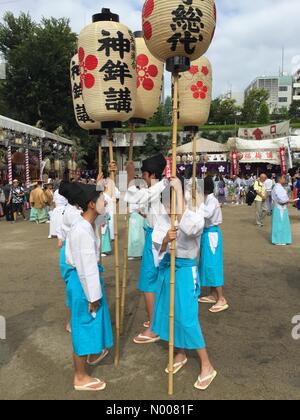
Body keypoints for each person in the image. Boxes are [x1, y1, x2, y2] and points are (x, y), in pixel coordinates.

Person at [151, 177, 217, 391]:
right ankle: (179, 353)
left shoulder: (193, 212)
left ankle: (207, 365)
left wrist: (179, 196)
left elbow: (193, 229)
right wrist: (164, 242)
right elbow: (157, 248)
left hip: (186, 270)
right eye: (167, 202)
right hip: (168, 268)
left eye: (172, 201)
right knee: (172, 313)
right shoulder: (163, 216)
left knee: (187, 318)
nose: (168, 206)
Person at [65, 183, 113, 392]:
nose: (105, 203)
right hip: (84, 283)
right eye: (101, 200)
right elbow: (86, 268)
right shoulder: (82, 229)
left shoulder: (87, 223)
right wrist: (93, 296)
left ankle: (90, 357)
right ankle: (80, 376)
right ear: (92, 204)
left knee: (87, 325)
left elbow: (110, 205)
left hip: (84, 281)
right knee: (84, 327)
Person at [125, 154, 168, 344]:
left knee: (148, 282)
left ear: (150, 174)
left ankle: (154, 327)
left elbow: (134, 196)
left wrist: (128, 175)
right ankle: (157, 319)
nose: (141, 178)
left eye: (142, 174)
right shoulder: (161, 187)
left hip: (157, 239)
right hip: (158, 236)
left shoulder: (160, 187)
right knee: (156, 281)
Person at [198, 176, 228, 313]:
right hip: (206, 233)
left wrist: (197, 204)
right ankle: (213, 294)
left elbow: (207, 214)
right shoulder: (206, 199)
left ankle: (221, 298)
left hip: (212, 234)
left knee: (213, 264)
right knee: (206, 264)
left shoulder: (212, 200)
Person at [271, 175, 296, 246]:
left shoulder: (278, 187)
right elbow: (282, 200)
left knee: (282, 224)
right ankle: (279, 240)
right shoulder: (278, 187)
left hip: (281, 207)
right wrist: (289, 200)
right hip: (279, 207)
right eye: (283, 178)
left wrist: (288, 200)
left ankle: (282, 239)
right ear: (280, 179)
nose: (285, 179)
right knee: (280, 224)